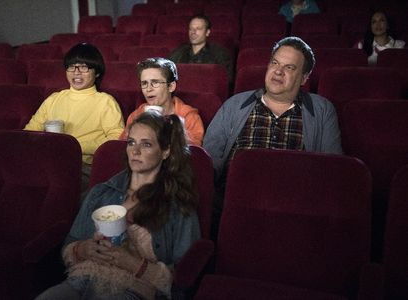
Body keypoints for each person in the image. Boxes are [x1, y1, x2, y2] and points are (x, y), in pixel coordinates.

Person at [35, 111, 201, 300]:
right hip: (84, 278)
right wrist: (84, 249)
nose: (135, 151)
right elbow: (68, 246)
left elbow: (184, 278)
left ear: (165, 151)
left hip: (136, 290)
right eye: (131, 142)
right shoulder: (101, 192)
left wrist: (131, 262)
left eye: (146, 144)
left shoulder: (177, 205)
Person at [203, 37, 342, 237]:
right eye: (275, 63)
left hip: (294, 208)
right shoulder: (234, 105)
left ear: (304, 78)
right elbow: (209, 163)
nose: (278, 71)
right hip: (235, 203)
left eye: (290, 67)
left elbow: (333, 169)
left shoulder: (322, 110)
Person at [24, 43, 124, 197]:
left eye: (84, 67)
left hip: (82, 166)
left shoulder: (105, 102)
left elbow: (116, 139)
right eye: (72, 66)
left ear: (96, 72)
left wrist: (71, 145)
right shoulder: (54, 99)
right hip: (47, 161)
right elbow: (29, 132)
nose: (76, 72)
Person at [119, 57, 204, 146]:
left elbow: (194, 153)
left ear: (171, 86)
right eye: (144, 83)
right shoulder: (136, 116)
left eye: (155, 82)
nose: (148, 89)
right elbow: (122, 147)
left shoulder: (189, 117)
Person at [167, 14, 233, 85]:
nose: (193, 32)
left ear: (207, 32)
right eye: (191, 29)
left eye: (198, 29)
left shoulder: (220, 53)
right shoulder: (178, 52)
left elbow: (226, 81)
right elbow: (167, 75)